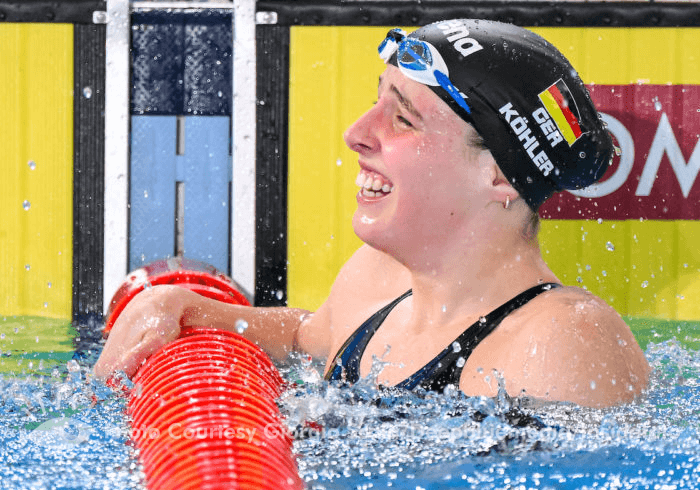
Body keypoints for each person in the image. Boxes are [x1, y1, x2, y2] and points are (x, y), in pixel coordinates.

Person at [94, 19, 650, 407]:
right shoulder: (378, 279)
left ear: (500, 176)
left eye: (403, 119)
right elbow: (308, 338)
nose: (356, 134)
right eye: (376, 100)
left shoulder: (563, 343)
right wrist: (181, 305)